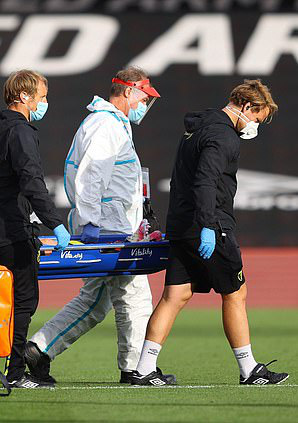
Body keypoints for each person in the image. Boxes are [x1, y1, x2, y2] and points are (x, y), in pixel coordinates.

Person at [131, 80, 289, 386]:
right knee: (235, 293)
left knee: (176, 294)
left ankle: (145, 368)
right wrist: (207, 225)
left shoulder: (199, 128)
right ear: (246, 107)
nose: (255, 126)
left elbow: (184, 178)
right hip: (209, 225)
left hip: (182, 222)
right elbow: (205, 181)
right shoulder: (222, 136)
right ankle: (249, 370)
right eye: (256, 118)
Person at [24, 67, 164, 385]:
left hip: (109, 223)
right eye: (144, 96)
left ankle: (38, 349)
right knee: (134, 297)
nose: (146, 104)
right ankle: (136, 369)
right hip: (108, 227)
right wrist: (90, 222)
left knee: (95, 301)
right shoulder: (106, 124)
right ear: (128, 91)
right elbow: (92, 175)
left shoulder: (110, 123)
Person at [0, 70, 71, 388]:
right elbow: (32, 181)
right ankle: (15, 373)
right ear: (24, 97)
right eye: (42, 96)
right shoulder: (21, 132)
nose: (45, 103)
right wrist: (55, 223)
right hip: (11, 229)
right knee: (24, 300)